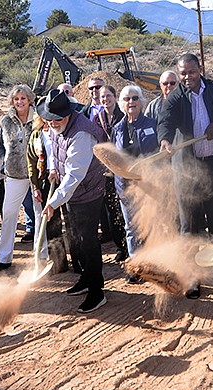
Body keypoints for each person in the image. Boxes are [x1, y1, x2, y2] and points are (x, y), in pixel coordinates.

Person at [157, 53, 213, 298]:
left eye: (191, 72)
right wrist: (164, 140)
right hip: (187, 174)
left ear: (200, 69)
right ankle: (192, 279)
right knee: (189, 229)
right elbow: (165, 122)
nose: (186, 78)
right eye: (182, 73)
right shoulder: (175, 97)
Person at [38, 89, 107, 313]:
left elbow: (74, 176)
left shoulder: (82, 134)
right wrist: (52, 169)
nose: (52, 123)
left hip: (87, 191)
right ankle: (86, 278)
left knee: (88, 241)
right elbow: (55, 150)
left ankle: (97, 291)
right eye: (49, 119)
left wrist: (53, 202)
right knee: (77, 239)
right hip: (72, 192)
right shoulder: (55, 126)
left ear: (68, 114)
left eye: (57, 119)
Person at [0, 85, 43, 273]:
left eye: (23, 98)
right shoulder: (6, 121)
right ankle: (4, 258)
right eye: (16, 99)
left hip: (37, 173)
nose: (19, 102)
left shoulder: (39, 119)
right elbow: (2, 146)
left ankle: (41, 255)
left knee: (39, 213)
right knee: (9, 213)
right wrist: (6, 162)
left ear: (29, 99)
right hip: (14, 174)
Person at [113, 85, 159, 283]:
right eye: (127, 99)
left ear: (141, 101)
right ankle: (136, 265)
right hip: (126, 186)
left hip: (149, 185)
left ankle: (155, 263)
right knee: (131, 227)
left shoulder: (152, 124)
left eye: (134, 98)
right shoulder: (117, 128)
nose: (131, 102)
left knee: (152, 225)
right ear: (122, 104)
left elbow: (159, 153)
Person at [27, 113, 67, 273]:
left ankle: (80, 262)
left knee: (70, 221)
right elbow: (31, 161)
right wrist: (35, 186)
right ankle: (59, 264)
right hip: (45, 182)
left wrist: (57, 169)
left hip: (64, 179)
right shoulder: (36, 134)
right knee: (51, 223)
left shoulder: (61, 130)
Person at [94, 85, 127, 261]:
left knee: (126, 209)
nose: (105, 99)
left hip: (124, 168)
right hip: (105, 171)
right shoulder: (98, 119)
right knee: (112, 209)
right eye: (102, 97)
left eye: (108, 96)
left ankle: (133, 244)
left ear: (115, 97)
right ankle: (121, 245)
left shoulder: (123, 116)